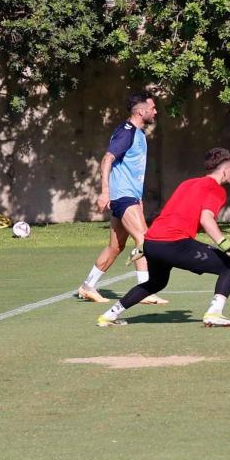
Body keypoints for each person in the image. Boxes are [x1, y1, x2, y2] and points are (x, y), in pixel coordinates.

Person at [98, 147, 230, 329]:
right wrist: (228, 247)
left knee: (157, 282)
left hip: (152, 242)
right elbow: (206, 219)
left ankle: (109, 315)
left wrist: (143, 247)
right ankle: (214, 314)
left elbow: (172, 215)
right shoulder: (216, 189)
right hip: (174, 244)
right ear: (226, 170)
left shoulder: (187, 184)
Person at [75, 92, 166, 306]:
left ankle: (88, 286)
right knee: (145, 240)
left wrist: (139, 198)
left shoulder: (140, 135)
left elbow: (131, 169)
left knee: (116, 247)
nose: (155, 111)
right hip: (122, 197)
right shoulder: (127, 132)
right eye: (152, 108)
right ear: (141, 110)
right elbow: (107, 159)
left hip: (128, 197)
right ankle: (146, 290)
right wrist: (104, 191)